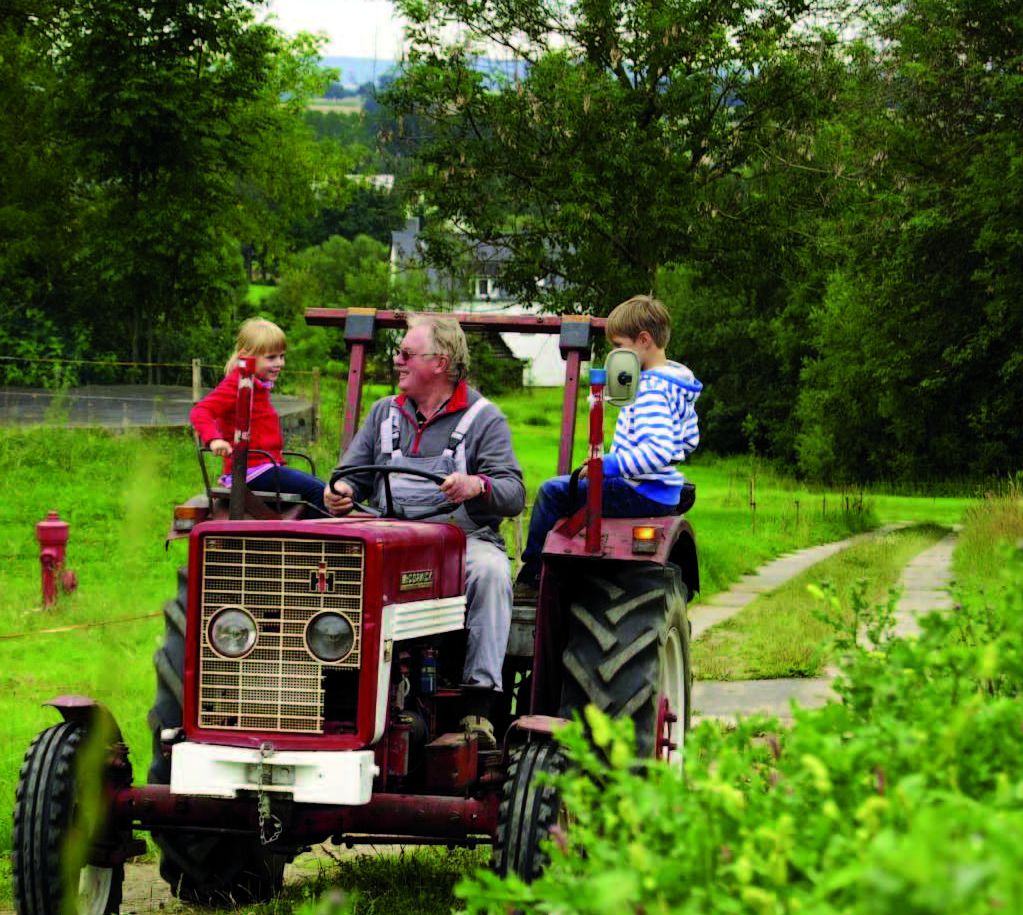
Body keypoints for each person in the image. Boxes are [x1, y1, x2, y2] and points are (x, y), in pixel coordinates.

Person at [323, 314, 525, 730]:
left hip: (462, 541)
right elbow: (351, 477)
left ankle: (478, 708)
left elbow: (514, 493)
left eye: (406, 354)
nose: (397, 361)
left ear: (440, 363)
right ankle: (324, 683)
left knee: (489, 573)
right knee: (329, 565)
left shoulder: (484, 419)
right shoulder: (384, 414)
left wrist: (475, 486)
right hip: (389, 538)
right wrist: (339, 494)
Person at [515, 295, 703, 587]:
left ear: (643, 340)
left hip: (640, 489)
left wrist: (607, 465)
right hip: (656, 488)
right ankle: (564, 564)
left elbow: (658, 450)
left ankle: (532, 576)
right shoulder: (676, 382)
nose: (615, 353)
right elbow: (690, 439)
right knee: (571, 492)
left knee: (552, 492)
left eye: (618, 346)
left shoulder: (652, 390)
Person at [190, 317, 326, 513]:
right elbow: (201, 410)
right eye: (271, 358)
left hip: (266, 468)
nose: (279, 363)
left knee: (324, 490)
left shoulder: (258, 387)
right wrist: (214, 440)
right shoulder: (237, 385)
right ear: (247, 357)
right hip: (251, 472)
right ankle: (313, 542)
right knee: (318, 492)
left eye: (281, 356)